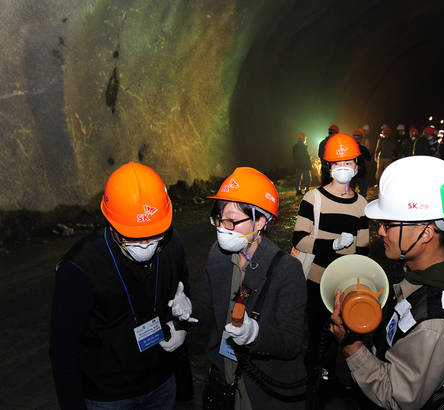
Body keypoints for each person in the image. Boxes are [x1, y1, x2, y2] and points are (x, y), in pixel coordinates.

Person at [329, 155, 444, 409]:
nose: (381, 231)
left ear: (426, 233)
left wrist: (352, 347)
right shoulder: (427, 274)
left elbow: (396, 396)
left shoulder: (438, 325)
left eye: (389, 224)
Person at [50, 162, 191, 409]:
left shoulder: (172, 245)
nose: (146, 243)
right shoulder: (79, 268)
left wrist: (181, 324)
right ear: (111, 221)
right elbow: (63, 350)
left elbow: (183, 293)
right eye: (133, 236)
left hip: (161, 384)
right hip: (108, 398)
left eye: (154, 233)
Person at [169, 167, 307, 409]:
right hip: (223, 379)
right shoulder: (218, 254)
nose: (223, 228)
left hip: (264, 389)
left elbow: (291, 341)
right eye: (220, 219)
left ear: (261, 220)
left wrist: (255, 334)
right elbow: (206, 306)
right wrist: (187, 310)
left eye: (232, 221)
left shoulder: (287, 270)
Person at [293, 132, 369, 401]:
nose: (343, 168)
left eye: (349, 163)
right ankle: (309, 383)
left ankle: (327, 378)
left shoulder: (362, 205)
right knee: (316, 333)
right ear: (328, 167)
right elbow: (299, 240)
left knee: (339, 333)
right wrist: (332, 244)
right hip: (316, 280)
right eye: (337, 164)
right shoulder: (314, 199)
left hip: (345, 283)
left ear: (357, 166)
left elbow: (363, 250)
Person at [351, 128, 372, 198]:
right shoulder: (363, 148)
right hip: (361, 172)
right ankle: (362, 205)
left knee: (350, 191)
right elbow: (369, 158)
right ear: (361, 138)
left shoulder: (348, 148)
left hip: (351, 172)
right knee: (363, 191)